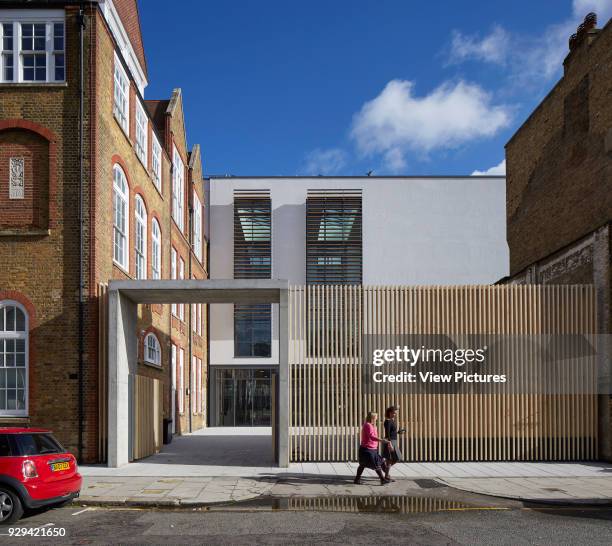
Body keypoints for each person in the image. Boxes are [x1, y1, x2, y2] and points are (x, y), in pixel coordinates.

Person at [354, 411, 391, 485]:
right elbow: (371, 436)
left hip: (372, 449)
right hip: (367, 449)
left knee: (365, 464)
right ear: (372, 417)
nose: (377, 418)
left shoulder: (373, 426)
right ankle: (383, 479)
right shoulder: (367, 425)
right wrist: (381, 440)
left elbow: (374, 436)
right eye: (376, 417)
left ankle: (357, 480)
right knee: (375, 464)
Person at [382, 405, 404, 481]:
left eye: (395, 413)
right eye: (393, 413)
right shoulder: (387, 421)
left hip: (393, 441)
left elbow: (392, 432)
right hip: (390, 441)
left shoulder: (392, 420)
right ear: (390, 413)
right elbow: (387, 433)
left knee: (398, 457)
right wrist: (389, 443)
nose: (395, 414)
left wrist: (398, 432)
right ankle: (386, 476)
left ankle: (384, 468)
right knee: (390, 459)